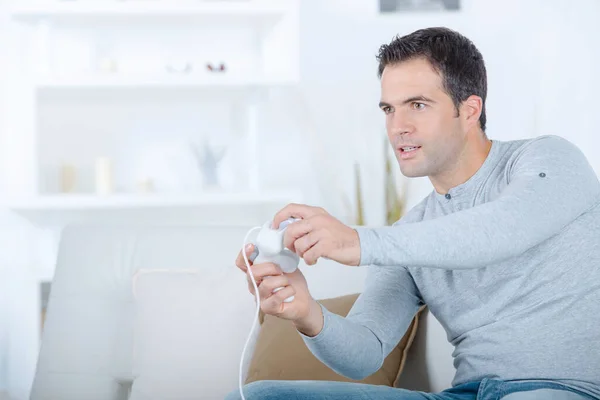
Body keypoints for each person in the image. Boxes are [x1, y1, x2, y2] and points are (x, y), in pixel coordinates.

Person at [227, 27, 600, 400]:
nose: (397, 127)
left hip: (562, 389)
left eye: (417, 105)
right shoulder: (409, 234)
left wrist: (357, 241)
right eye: (389, 109)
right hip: (465, 394)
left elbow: (501, 230)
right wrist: (306, 313)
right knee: (262, 396)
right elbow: (365, 352)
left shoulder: (550, 160)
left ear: (470, 110)